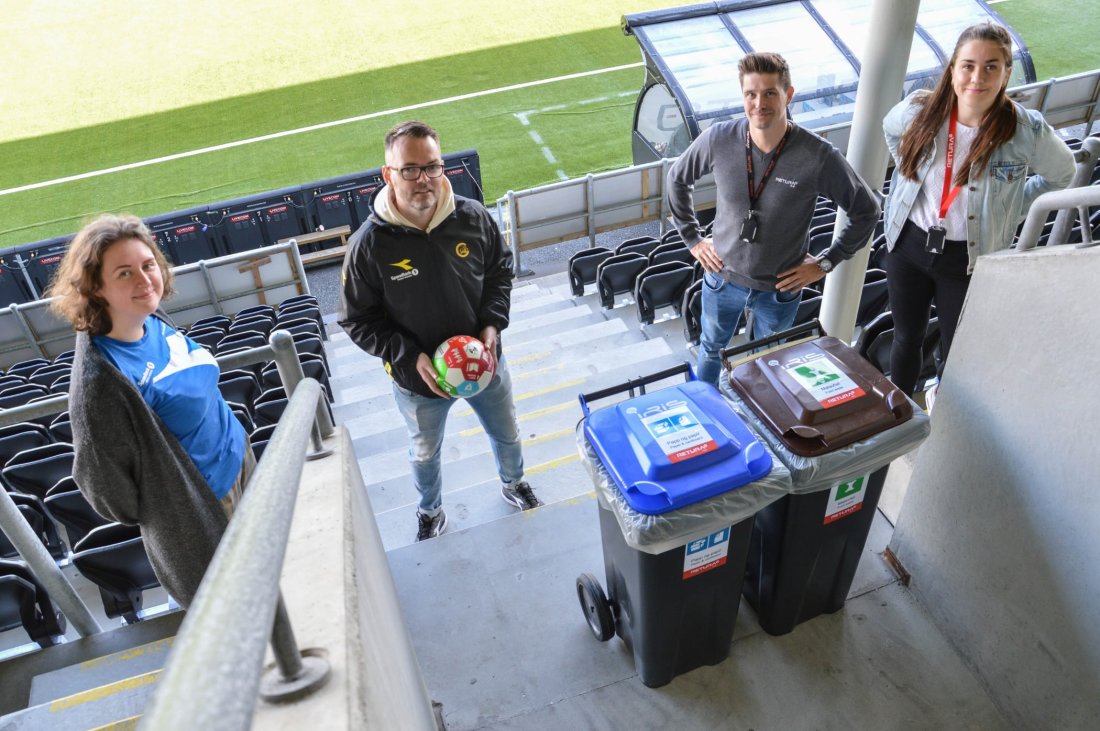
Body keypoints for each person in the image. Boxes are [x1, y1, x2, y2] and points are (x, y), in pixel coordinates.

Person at [339, 120, 541, 543]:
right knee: (424, 453)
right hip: (419, 384)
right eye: (409, 169)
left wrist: (491, 322)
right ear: (387, 174)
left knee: (507, 432)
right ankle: (429, 510)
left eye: (432, 167)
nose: (423, 179)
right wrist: (408, 355)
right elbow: (357, 320)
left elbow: (499, 272)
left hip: (485, 366)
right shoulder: (368, 246)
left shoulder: (473, 217)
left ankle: (513, 482)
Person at [48, 213, 254, 608]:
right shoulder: (100, 384)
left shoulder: (149, 317)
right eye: (124, 273)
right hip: (207, 509)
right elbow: (109, 494)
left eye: (148, 265)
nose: (145, 280)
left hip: (240, 461)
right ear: (95, 288)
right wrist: (173, 498)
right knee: (241, 611)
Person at [882, 22, 1075, 398]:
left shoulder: (1024, 130)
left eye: (991, 66)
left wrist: (1012, 207)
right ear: (953, 67)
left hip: (968, 261)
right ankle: (899, 409)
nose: (977, 76)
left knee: (958, 353)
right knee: (906, 337)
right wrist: (908, 169)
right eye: (968, 65)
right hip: (908, 246)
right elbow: (891, 131)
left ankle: (944, 410)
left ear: (1006, 73)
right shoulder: (920, 111)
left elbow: (1062, 175)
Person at [667, 51, 880, 387]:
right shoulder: (720, 138)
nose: (759, 103)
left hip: (779, 289)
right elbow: (678, 179)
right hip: (722, 278)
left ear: (788, 95)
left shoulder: (818, 156)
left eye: (770, 93)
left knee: (767, 361)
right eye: (751, 94)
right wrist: (692, 239)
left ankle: (757, 420)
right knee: (710, 350)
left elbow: (867, 210)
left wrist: (826, 263)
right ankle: (707, 411)